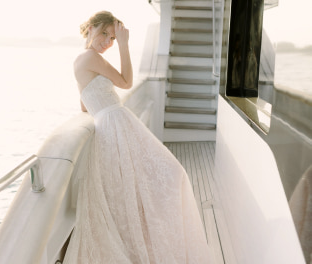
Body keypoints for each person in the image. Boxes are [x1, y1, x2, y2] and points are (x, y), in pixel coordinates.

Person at [63, 11, 214, 264]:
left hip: (114, 126)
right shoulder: (90, 57)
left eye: (112, 37)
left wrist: (99, 101)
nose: (107, 42)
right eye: (104, 34)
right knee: (171, 174)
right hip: (117, 126)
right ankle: (160, 244)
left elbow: (82, 106)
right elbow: (126, 81)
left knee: (150, 182)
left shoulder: (83, 59)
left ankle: (151, 242)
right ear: (90, 28)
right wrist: (124, 45)